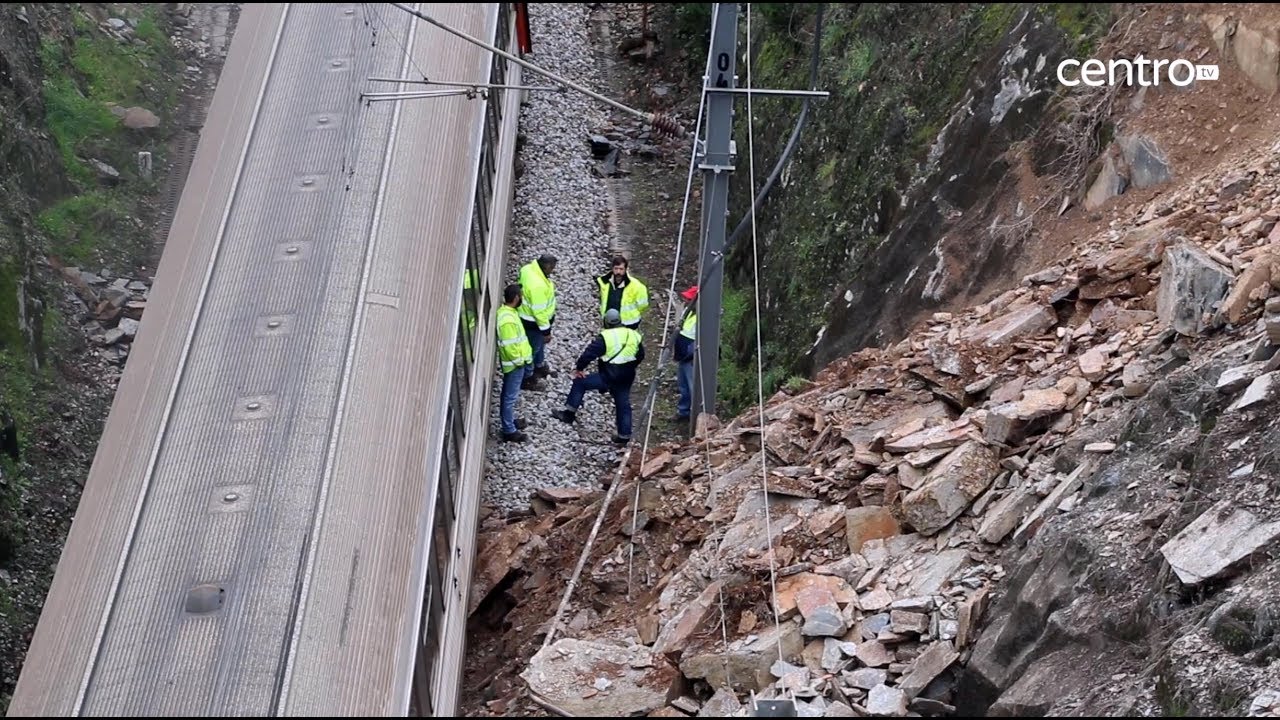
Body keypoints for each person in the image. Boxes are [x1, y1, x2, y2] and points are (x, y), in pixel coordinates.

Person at [551, 309, 645, 445]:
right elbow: (640, 355)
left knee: (580, 383)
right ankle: (624, 436)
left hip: (609, 375)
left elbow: (589, 354)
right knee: (623, 404)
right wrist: (630, 365)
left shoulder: (605, 337)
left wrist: (579, 368)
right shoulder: (633, 335)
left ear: (606, 322)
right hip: (627, 375)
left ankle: (568, 414)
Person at [496, 283, 533, 442]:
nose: (523, 298)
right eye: (522, 296)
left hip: (516, 364)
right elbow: (510, 347)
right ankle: (509, 430)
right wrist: (520, 362)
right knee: (509, 397)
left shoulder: (508, 313)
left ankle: (509, 423)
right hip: (514, 365)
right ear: (516, 298)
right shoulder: (508, 320)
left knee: (509, 396)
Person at [518, 254, 557, 386]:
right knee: (532, 349)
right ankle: (527, 378)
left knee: (538, 345)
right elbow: (539, 313)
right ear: (546, 267)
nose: (553, 271)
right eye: (552, 268)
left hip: (525, 316)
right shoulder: (538, 286)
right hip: (534, 323)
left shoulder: (528, 269)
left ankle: (539, 366)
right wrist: (546, 331)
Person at [596, 254, 649, 331]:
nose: (618, 272)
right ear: (612, 269)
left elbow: (643, 305)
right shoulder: (604, 282)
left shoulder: (636, 286)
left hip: (629, 324)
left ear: (625, 269)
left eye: (621, 269)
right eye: (616, 269)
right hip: (609, 322)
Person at [674, 285, 698, 422]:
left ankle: (695, 416)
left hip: (691, 357)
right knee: (683, 385)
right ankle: (683, 412)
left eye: (690, 299)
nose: (687, 301)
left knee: (692, 386)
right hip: (683, 356)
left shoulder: (702, 317)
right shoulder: (689, 313)